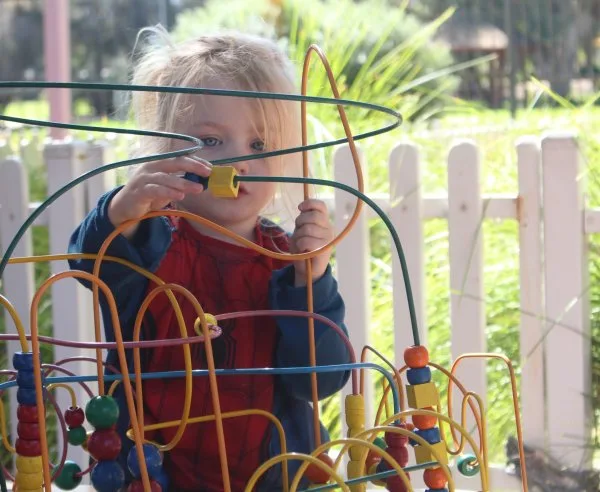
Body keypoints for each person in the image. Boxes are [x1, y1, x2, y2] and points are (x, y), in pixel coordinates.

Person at [68, 27, 351, 491]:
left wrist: (313, 280)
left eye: (259, 145)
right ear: (164, 152)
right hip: (153, 473)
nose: (239, 162)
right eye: (212, 141)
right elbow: (91, 265)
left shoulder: (289, 262)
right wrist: (122, 213)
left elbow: (319, 382)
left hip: (273, 476)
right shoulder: (149, 240)